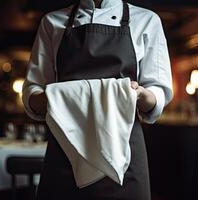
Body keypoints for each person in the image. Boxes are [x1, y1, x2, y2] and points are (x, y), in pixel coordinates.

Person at [22, 0, 173, 199]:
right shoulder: (52, 22)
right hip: (65, 150)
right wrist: (54, 97)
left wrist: (140, 95)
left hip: (125, 153)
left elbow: (159, 91)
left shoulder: (147, 20)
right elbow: (33, 90)